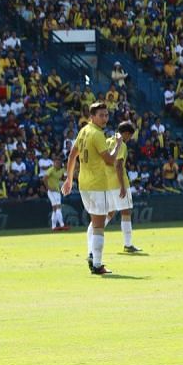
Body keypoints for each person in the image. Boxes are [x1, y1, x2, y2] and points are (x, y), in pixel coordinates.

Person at [61, 102, 123, 275]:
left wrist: (69, 179)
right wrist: (118, 144)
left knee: (109, 212)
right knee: (98, 225)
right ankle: (96, 264)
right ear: (92, 116)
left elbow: (73, 155)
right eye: (101, 115)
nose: (105, 118)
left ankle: (91, 253)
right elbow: (110, 160)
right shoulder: (96, 134)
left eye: (106, 115)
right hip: (96, 184)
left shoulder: (83, 131)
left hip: (84, 184)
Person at [105, 121, 142, 253]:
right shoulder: (121, 144)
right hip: (118, 182)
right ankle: (128, 244)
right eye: (130, 135)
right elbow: (119, 165)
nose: (130, 138)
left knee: (110, 212)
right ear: (126, 133)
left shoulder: (108, 140)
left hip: (107, 182)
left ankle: (94, 233)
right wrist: (122, 186)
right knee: (126, 212)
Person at [43, 157, 68, 231]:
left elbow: (64, 177)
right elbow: (44, 178)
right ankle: (62, 225)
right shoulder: (51, 170)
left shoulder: (62, 170)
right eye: (56, 163)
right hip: (52, 191)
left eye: (59, 163)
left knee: (54, 209)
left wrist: (65, 176)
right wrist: (48, 188)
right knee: (58, 207)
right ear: (54, 163)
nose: (57, 164)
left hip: (57, 191)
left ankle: (53, 227)